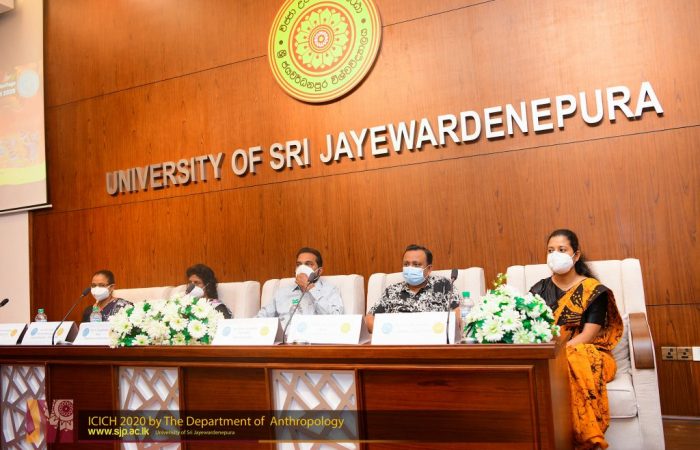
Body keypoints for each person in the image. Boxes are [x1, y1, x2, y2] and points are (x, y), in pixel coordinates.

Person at [529, 229, 623, 450]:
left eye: (562, 250)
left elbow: (588, 336)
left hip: (591, 355)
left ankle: (586, 438)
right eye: (550, 250)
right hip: (547, 356)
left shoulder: (593, 291)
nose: (555, 255)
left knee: (573, 358)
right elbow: (530, 329)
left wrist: (556, 355)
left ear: (576, 255)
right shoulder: (538, 289)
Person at [366, 244, 459, 333]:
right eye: (406, 264)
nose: (410, 268)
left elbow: (459, 313)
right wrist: (388, 332)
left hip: (433, 339)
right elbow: (369, 319)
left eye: (416, 264)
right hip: (399, 340)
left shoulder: (443, 285)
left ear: (429, 269)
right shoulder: (392, 291)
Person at [256, 247, 343, 326]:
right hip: (285, 337)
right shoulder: (282, 292)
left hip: (314, 337)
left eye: (308, 264)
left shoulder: (330, 290)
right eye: (299, 264)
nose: (302, 268)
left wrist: (310, 288)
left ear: (319, 271)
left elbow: (336, 319)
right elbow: (260, 318)